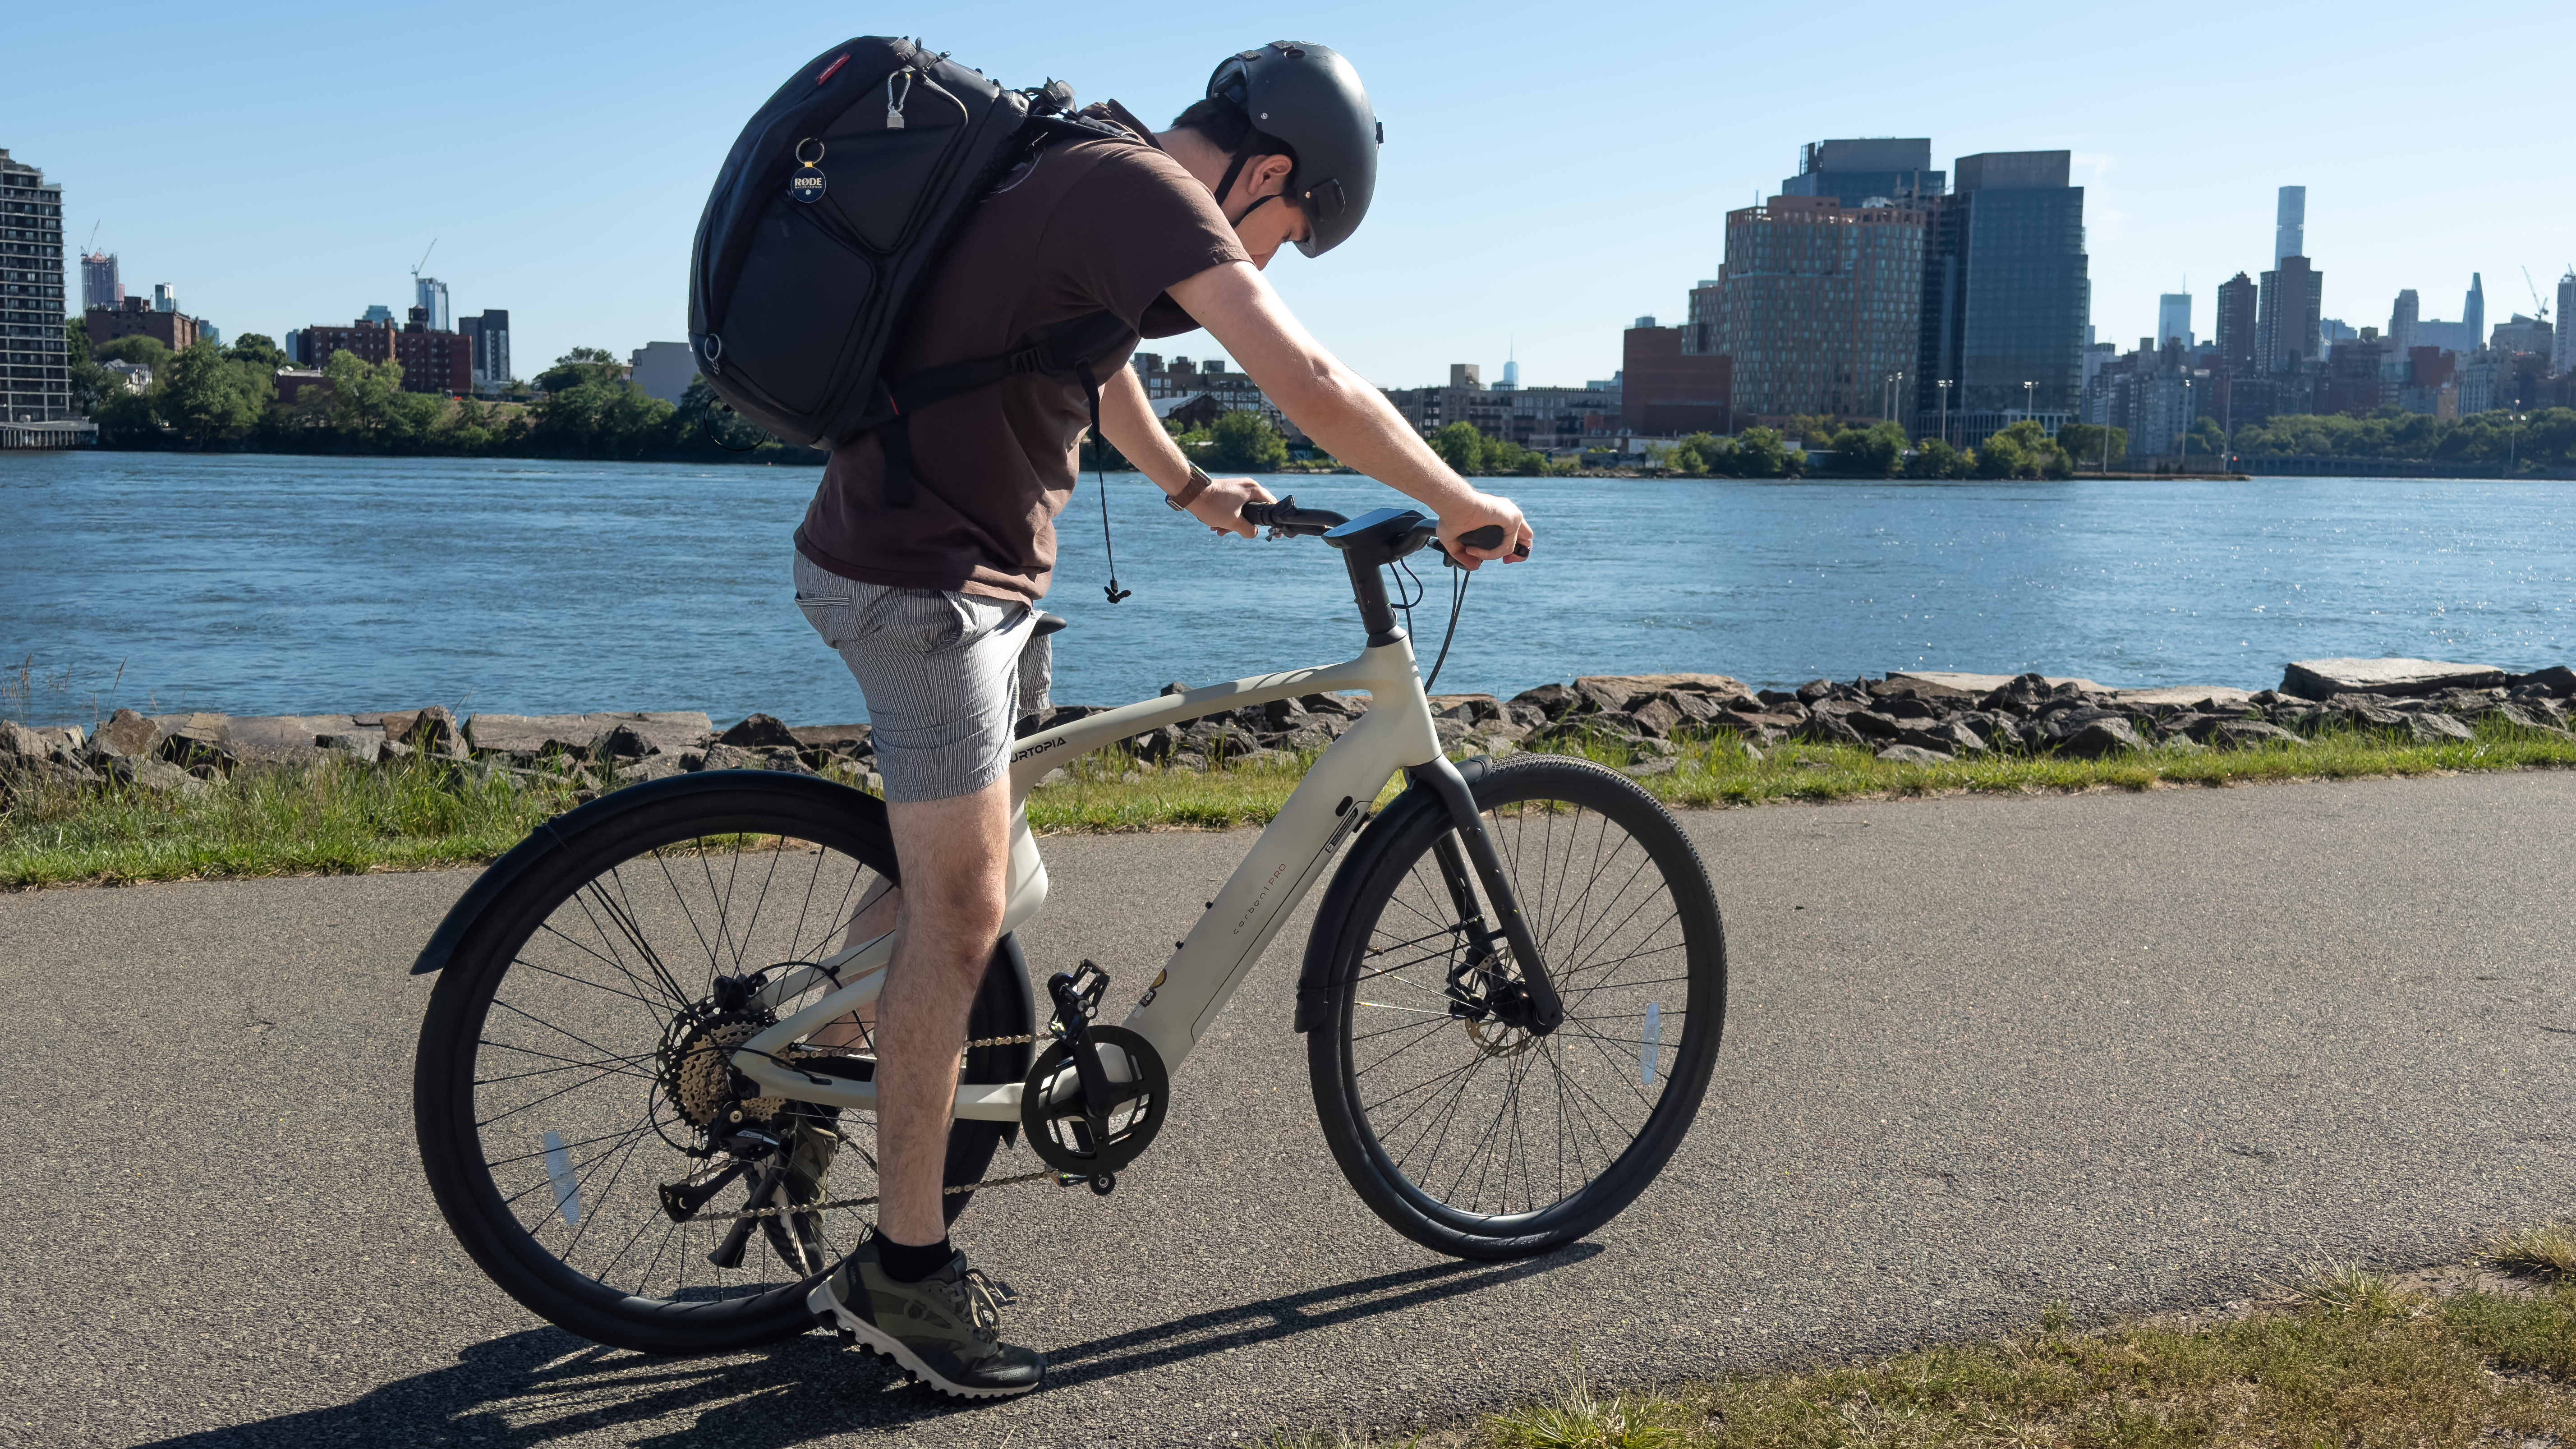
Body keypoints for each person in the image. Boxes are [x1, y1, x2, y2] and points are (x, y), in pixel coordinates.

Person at [794, 42, 1534, 1398]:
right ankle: (901, 1276)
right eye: (1288, 232)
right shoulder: (1146, 193)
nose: (1271, 258)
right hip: (926, 585)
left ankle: (812, 1079)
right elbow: (1305, 380)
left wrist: (1193, 489)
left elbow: (1097, 353)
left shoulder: (1093, 172)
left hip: (972, 572)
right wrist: (1454, 498)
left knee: (960, 872)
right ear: (1264, 175)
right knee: (962, 919)